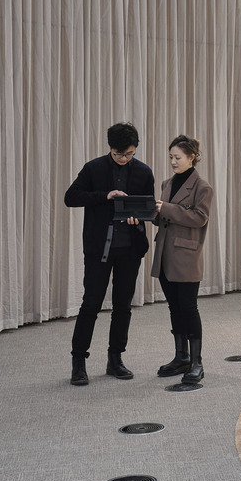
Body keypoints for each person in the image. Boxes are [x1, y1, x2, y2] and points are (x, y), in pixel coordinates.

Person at [63, 123, 154, 387]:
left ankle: (115, 359)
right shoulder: (94, 168)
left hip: (130, 249)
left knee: (123, 306)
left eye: (129, 154)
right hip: (98, 249)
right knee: (90, 304)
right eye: (119, 154)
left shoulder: (143, 172)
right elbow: (71, 197)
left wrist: (138, 218)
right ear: (109, 148)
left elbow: (149, 207)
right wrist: (106, 196)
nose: (124, 159)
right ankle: (78, 363)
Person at [151, 135, 214, 385]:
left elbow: (199, 218)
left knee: (188, 308)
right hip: (165, 254)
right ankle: (181, 357)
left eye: (178, 157)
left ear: (192, 157)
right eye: (170, 157)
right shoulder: (167, 183)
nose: (173, 162)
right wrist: (151, 212)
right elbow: (162, 216)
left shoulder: (203, 187)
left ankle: (197, 362)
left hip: (186, 256)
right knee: (174, 308)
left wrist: (164, 209)